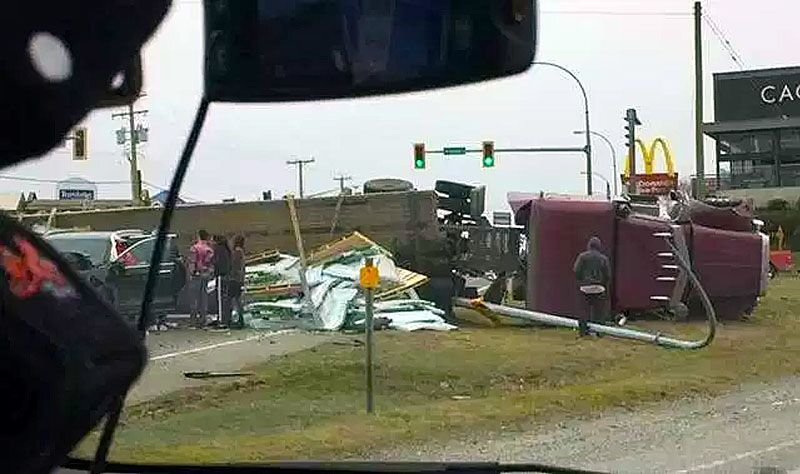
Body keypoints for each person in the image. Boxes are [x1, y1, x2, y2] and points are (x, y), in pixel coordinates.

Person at [573, 236, 611, 337]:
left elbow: (576, 270)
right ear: (599, 246)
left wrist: (582, 280)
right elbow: (607, 275)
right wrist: (602, 284)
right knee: (599, 313)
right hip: (599, 288)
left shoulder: (582, 256)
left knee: (583, 312)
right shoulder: (604, 258)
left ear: (589, 245)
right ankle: (599, 332)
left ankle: (583, 332)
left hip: (585, 287)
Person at [188, 229, 215, 329]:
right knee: (204, 298)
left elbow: (192, 262)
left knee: (194, 298)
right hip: (206, 275)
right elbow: (211, 264)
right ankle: (203, 320)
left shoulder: (194, 248)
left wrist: (192, 272)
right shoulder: (209, 249)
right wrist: (208, 272)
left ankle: (193, 321)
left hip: (196, 275)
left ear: (198, 236)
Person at [211, 234, 232, 328]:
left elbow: (216, 262)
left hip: (220, 276)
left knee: (220, 298)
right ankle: (225, 318)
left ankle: (221, 320)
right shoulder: (226, 250)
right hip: (226, 275)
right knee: (224, 298)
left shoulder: (219, 249)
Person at [229, 235, 247, 329]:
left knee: (234, 300)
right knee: (238, 300)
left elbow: (234, 266)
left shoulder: (237, 252)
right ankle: (240, 319)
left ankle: (237, 319)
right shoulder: (242, 252)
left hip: (235, 279)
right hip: (239, 279)